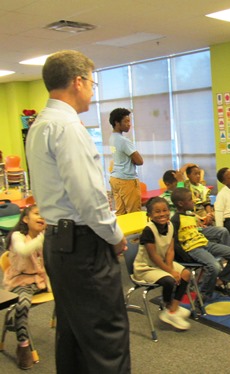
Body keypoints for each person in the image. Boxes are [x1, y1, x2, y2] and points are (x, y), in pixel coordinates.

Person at [26, 50, 130, 374]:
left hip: (59, 242)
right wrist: (115, 236)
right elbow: (89, 197)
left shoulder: (40, 124)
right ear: (78, 81)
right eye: (92, 82)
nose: (93, 90)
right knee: (106, 339)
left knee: (73, 336)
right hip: (85, 245)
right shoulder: (67, 127)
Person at [170, 187, 230, 302]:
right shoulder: (175, 220)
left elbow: (194, 230)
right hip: (193, 249)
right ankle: (203, 295)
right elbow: (173, 242)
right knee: (214, 266)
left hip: (205, 243)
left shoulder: (189, 215)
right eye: (190, 199)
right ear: (181, 203)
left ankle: (220, 281)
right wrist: (185, 257)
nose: (193, 201)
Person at [135, 197, 191, 330]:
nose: (162, 214)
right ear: (150, 215)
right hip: (146, 267)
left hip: (163, 262)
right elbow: (153, 256)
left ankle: (173, 309)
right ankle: (167, 306)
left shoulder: (170, 225)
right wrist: (170, 271)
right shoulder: (149, 230)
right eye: (157, 212)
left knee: (186, 274)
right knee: (170, 280)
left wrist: (171, 267)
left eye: (165, 210)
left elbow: (170, 249)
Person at [2, 205, 47, 369]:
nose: (41, 217)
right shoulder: (17, 236)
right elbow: (23, 251)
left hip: (40, 279)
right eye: (36, 214)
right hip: (21, 280)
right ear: (25, 219)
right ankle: (23, 346)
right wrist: (43, 238)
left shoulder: (44, 236)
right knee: (22, 305)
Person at [109, 108, 143, 215]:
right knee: (134, 214)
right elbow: (139, 161)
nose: (129, 124)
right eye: (126, 121)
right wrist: (132, 159)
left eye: (130, 121)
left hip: (115, 178)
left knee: (121, 214)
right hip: (127, 180)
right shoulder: (124, 141)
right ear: (117, 123)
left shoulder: (112, 138)